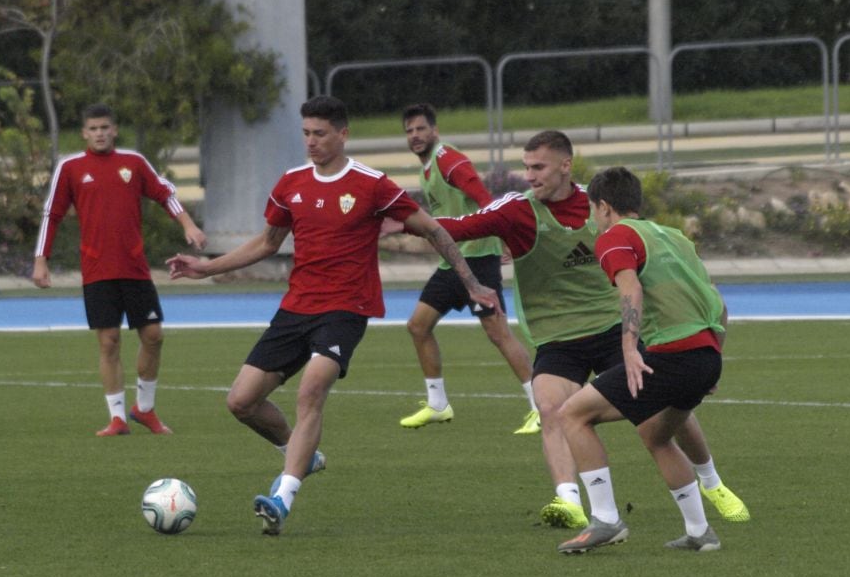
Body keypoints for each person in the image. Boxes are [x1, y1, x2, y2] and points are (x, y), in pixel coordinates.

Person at [166, 95, 501, 536]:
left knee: (310, 391)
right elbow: (267, 243)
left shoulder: (372, 185)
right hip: (295, 307)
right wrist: (205, 266)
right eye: (305, 133)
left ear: (342, 134)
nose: (311, 142)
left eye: (320, 134)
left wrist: (473, 283)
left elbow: (434, 229)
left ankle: (282, 498)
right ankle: (301, 453)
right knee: (241, 402)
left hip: (346, 309)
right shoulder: (291, 183)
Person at [430, 131, 748, 533]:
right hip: (559, 339)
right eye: (526, 167)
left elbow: (640, 278)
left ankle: (712, 483)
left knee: (663, 418)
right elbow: (453, 228)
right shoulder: (516, 212)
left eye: (538, 167)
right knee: (551, 407)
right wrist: (398, 217)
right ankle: (570, 502)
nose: (529, 175)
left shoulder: (601, 206)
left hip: (615, 331)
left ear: (566, 165)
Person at [555, 165, 733, 554]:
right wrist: (713, 356)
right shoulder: (674, 237)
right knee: (656, 435)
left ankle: (605, 520)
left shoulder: (614, 237)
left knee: (572, 414)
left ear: (604, 207)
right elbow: (718, 304)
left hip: (671, 355)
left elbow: (630, 291)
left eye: (591, 209)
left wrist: (629, 350)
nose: (591, 218)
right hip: (704, 356)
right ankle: (701, 532)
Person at [33, 103, 207, 437]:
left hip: (135, 268)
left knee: (154, 335)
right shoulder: (70, 167)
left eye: (105, 127)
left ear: (114, 130)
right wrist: (41, 260)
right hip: (97, 269)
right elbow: (51, 214)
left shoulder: (133, 162)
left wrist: (188, 225)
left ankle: (144, 410)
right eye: (93, 128)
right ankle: (117, 418)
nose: (100, 133)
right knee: (109, 342)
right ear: (84, 133)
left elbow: (164, 192)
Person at [396, 104, 540, 435]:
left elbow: (483, 197)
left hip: (477, 259)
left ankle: (540, 407)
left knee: (498, 333)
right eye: (409, 131)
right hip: (453, 262)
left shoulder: (449, 160)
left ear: (435, 131)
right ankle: (437, 405)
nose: (415, 136)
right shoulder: (428, 167)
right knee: (418, 326)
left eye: (421, 129)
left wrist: (505, 235)